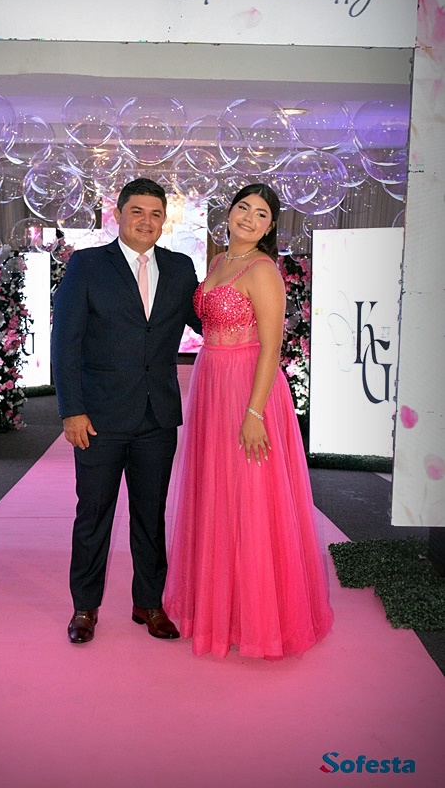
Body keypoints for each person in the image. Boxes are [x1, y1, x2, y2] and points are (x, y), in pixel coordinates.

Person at [163, 183, 334, 659]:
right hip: (211, 381)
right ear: (230, 213)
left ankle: (260, 618)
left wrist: (255, 412)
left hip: (247, 387)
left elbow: (272, 347)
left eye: (261, 214)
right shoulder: (219, 261)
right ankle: (218, 606)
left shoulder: (263, 269)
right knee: (217, 492)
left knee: (252, 497)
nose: (249, 218)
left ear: (270, 226)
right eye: (243, 208)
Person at [51, 177, 201, 645]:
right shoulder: (88, 265)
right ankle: (84, 608)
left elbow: (210, 321)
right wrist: (71, 411)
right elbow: (65, 342)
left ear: (164, 221)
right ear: (118, 215)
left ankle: (149, 604)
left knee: (151, 517)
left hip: (158, 418)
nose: (146, 221)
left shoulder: (180, 268)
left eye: (156, 214)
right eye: (137, 211)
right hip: (98, 418)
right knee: (93, 515)